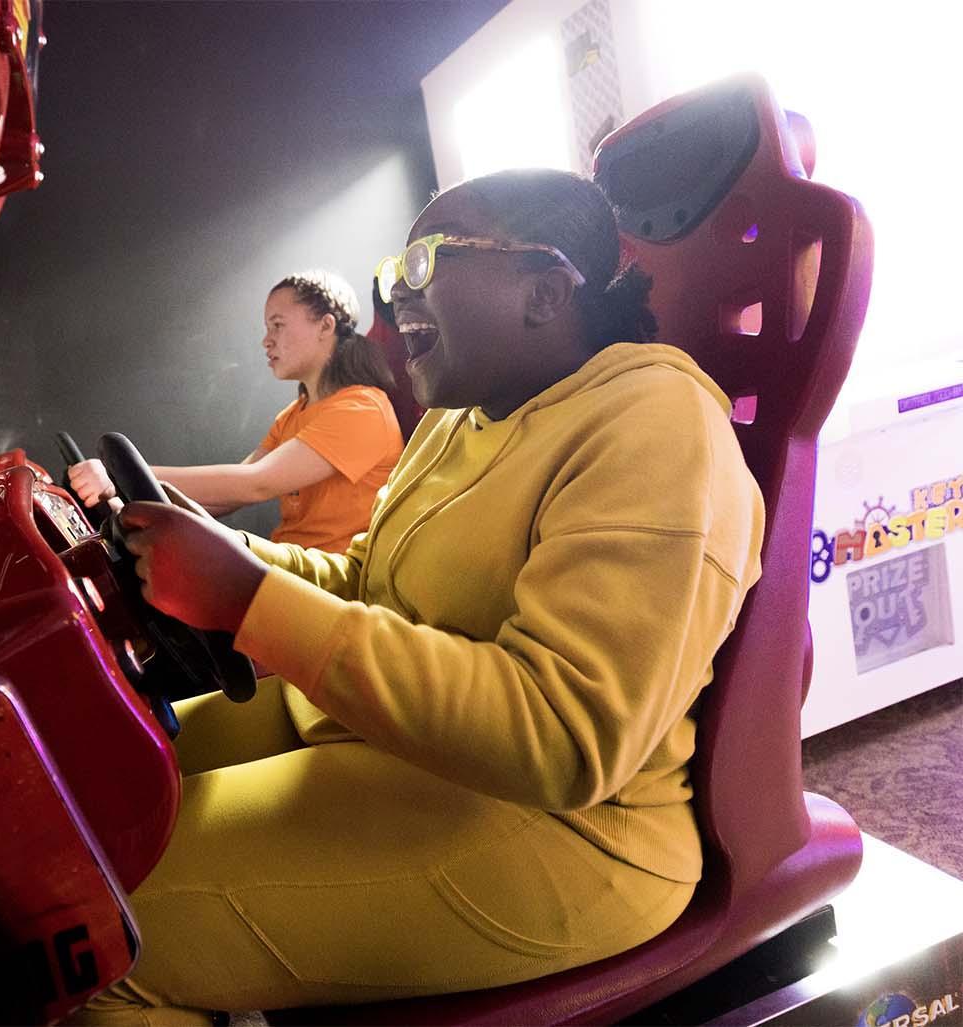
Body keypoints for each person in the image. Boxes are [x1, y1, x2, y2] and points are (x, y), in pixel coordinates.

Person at [70, 169, 766, 1026]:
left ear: (545, 289)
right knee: (87, 807)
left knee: (101, 940)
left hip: (569, 833)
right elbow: (369, 578)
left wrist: (249, 600)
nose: (394, 290)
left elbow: (565, 736)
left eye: (427, 258)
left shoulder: (655, 425)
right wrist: (224, 558)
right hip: (388, 739)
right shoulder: (456, 415)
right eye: (398, 263)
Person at [68, 270, 404, 554]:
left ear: (325, 326)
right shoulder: (293, 415)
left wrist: (119, 475)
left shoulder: (361, 408)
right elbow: (227, 499)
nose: (266, 341)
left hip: (333, 584)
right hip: (293, 569)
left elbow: (254, 485)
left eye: (278, 325)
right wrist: (132, 504)